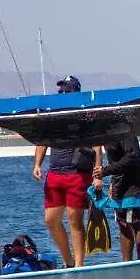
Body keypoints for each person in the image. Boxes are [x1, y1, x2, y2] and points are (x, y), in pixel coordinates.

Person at [33, 75, 102, 268]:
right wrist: (37, 164)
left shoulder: (85, 115)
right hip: (55, 173)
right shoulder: (52, 115)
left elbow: (97, 145)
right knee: (51, 220)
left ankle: (79, 265)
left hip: (77, 174)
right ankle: (68, 260)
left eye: (67, 90)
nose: (63, 93)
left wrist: (98, 175)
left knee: (74, 220)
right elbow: (42, 140)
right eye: (61, 90)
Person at [93, 134, 140, 261]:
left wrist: (106, 171)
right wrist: (112, 182)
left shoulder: (125, 131)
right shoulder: (107, 133)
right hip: (119, 185)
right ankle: (126, 263)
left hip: (133, 185)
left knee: (134, 221)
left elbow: (132, 157)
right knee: (122, 223)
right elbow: (114, 160)